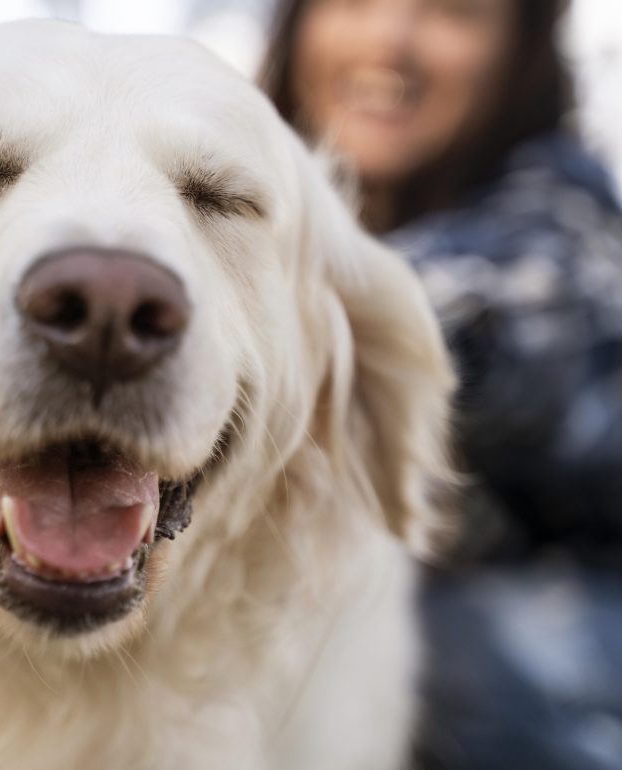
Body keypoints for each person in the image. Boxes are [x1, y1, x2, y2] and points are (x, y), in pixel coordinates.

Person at [260, 1, 622, 768]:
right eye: (354, 0)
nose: (390, 37)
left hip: (558, 666)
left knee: (431, 643)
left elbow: (478, 317)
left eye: (452, 10)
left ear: (519, 54)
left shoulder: (561, 225)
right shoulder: (277, 219)